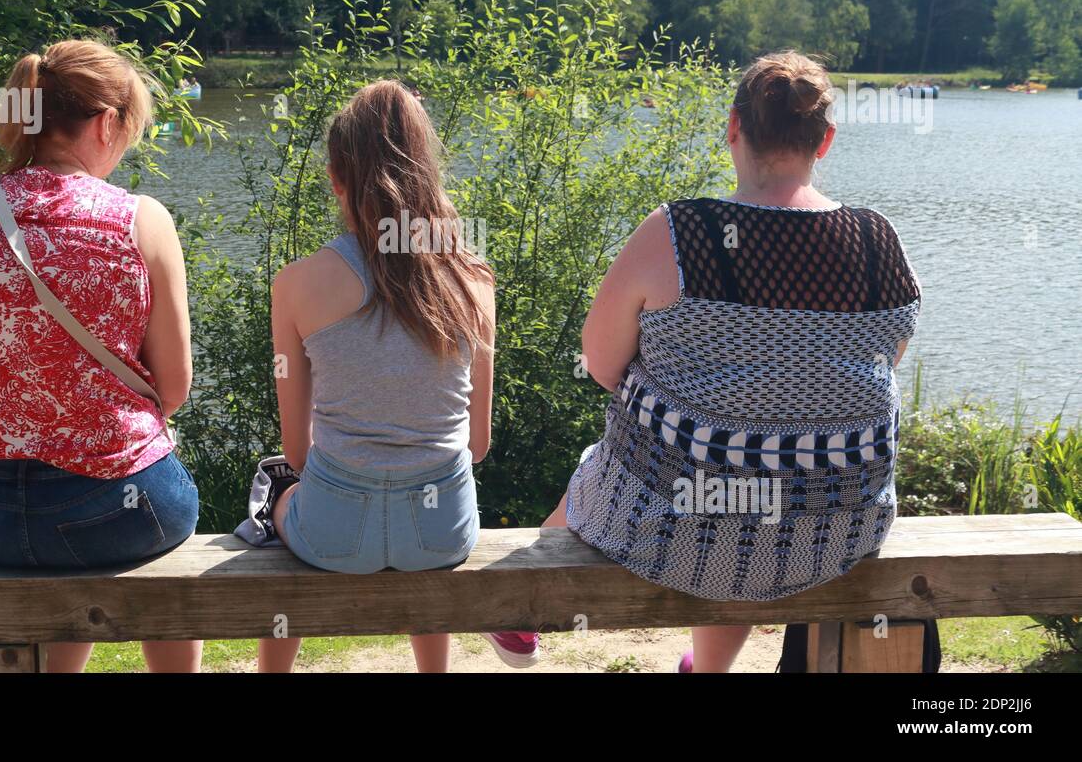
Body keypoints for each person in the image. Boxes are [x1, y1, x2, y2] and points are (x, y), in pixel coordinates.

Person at [510, 50, 921, 671]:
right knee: (764, 472)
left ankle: (516, 616)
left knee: (661, 462)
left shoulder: (680, 231)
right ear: (826, 141)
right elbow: (887, 361)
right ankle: (706, 668)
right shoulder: (878, 242)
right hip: (836, 530)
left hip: (672, 524)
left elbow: (599, 363)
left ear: (733, 127)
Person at [0, 40, 201, 672]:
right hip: (114, 513)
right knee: (160, 519)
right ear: (105, 123)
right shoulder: (141, 219)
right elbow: (174, 388)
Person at [256, 80, 497, 673]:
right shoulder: (473, 279)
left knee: (275, 488)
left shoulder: (296, 284)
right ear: (429, 169)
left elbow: (298, 450)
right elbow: (477, 444)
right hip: (443, 534)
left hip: (335, 533)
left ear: (337, 178)